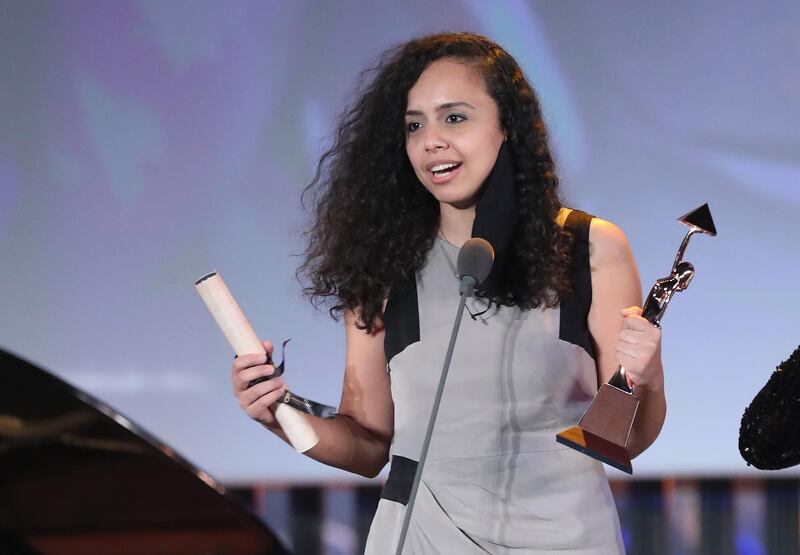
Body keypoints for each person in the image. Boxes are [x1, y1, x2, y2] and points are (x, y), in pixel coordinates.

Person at [231, 32, 664, 554]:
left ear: (507, 125)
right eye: (415, 125)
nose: (431, 140)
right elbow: (368, 446)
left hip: (566, 540)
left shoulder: (588, 247)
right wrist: (278, 414)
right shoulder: (383, 269)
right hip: (421, 539)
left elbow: (624, 436)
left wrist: (649, 375)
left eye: (454, 118)